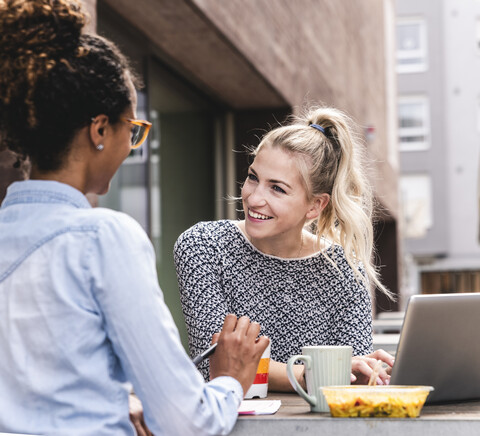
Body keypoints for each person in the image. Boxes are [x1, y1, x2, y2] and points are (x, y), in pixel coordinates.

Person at [0, 1, 269, 435]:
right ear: (100, 130)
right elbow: (187, 423)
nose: (133, 144)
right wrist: (229, 379)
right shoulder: (102, 238)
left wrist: (114, 396)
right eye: (134, 129)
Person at [174, 106, 395, 391]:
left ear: (315, 205)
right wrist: (309, 375)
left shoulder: (345, 272)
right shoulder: (202, 246)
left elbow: (348, 378)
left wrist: (366, 372)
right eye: (253, 177)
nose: (254, 198)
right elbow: (216, 363)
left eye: (277, 188)